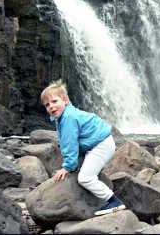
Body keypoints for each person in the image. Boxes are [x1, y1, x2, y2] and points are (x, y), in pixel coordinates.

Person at [40, 79, 126, 216]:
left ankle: (113, 200)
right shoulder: (63, 116)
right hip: (97, 143)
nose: (51, 106)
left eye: (54, 101)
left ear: (65, 100)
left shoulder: (68, 117)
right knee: (79, 168)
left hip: (101, 144)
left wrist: (68, 167)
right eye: (47, 105)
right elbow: (67, 142)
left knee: (85, 178)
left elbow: (70, 144)